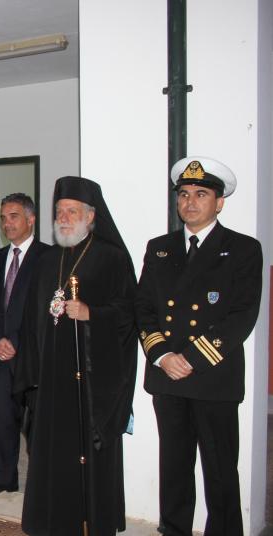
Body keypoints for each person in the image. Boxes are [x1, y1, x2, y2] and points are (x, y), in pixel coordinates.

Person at [136, 157, 261, 536]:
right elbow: (143, 308)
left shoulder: (242, 249)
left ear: (219, 202)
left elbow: (242, 315)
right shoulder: (160, 248)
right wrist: (161, 355)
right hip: (168, 377)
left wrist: (190, 359)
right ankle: (174, 529)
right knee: (173, 467)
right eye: (184, 194)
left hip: (213, 377)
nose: (190, 202)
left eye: (201, 195)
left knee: (220, 470)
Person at [15, 176, 138, 536]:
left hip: (91, 381)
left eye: (72, 211)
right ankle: (52, 520)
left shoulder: (112, 258)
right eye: (59, 212)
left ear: (91, 216)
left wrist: (91, 314)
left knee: (87, 454)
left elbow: (130, 313)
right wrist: (30, 372)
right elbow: (31, 319)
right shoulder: (47, 260)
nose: (64, 218)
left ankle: (93, 521)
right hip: (51, 378)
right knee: (52, 451)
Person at [0, 193, 47, 498]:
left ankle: (42, 486)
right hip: (0, 355)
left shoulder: (49, 257)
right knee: (1, 419)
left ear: (31, 219)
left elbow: (45, 310)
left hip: (33, 356)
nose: (7, 223)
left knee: (38, 426)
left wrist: (15, 341)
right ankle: (4, 477)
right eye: (3, 218)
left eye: (14, 216)